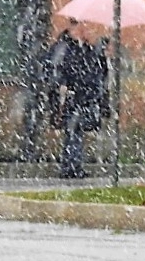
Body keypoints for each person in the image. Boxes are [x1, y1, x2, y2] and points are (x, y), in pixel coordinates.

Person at [44, 21, 110, 179]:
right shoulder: (64, 48)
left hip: (82, 98)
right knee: (73, 130)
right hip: (69, 98)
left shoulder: (86, 49)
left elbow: (95, 73)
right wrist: (61, 84)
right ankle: (71, 166)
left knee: (76, 131)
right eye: (86, 27)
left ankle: (73, 165)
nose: (89, 31)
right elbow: (53, 70)